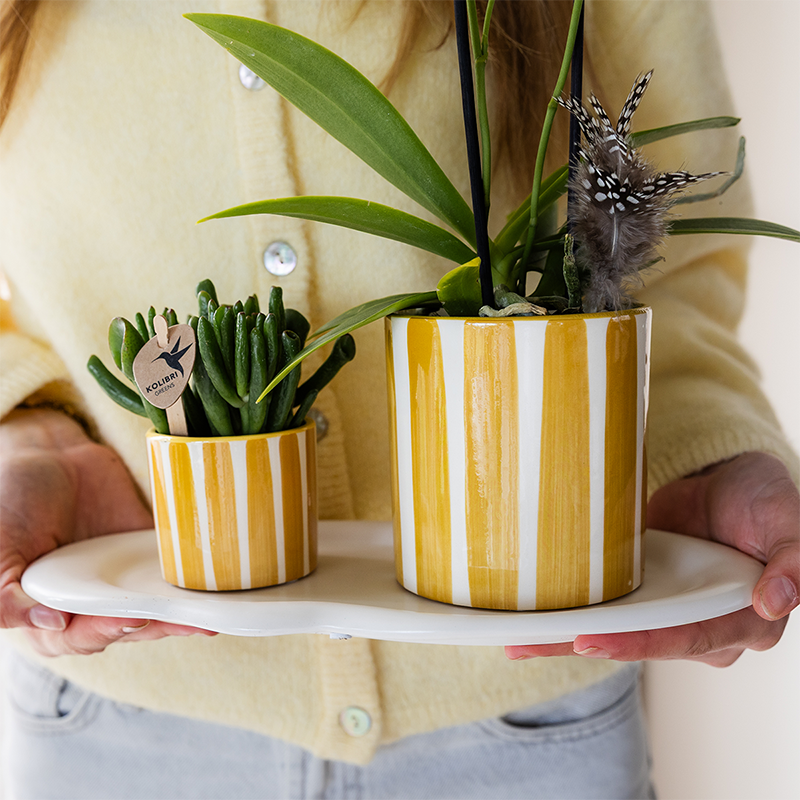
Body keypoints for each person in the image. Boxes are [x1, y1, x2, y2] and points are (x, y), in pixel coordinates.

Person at [0, 0, 798, 797]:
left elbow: (671, 262)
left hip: (522, 735)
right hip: (109, 729)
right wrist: (34, 439)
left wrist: (708, 450)